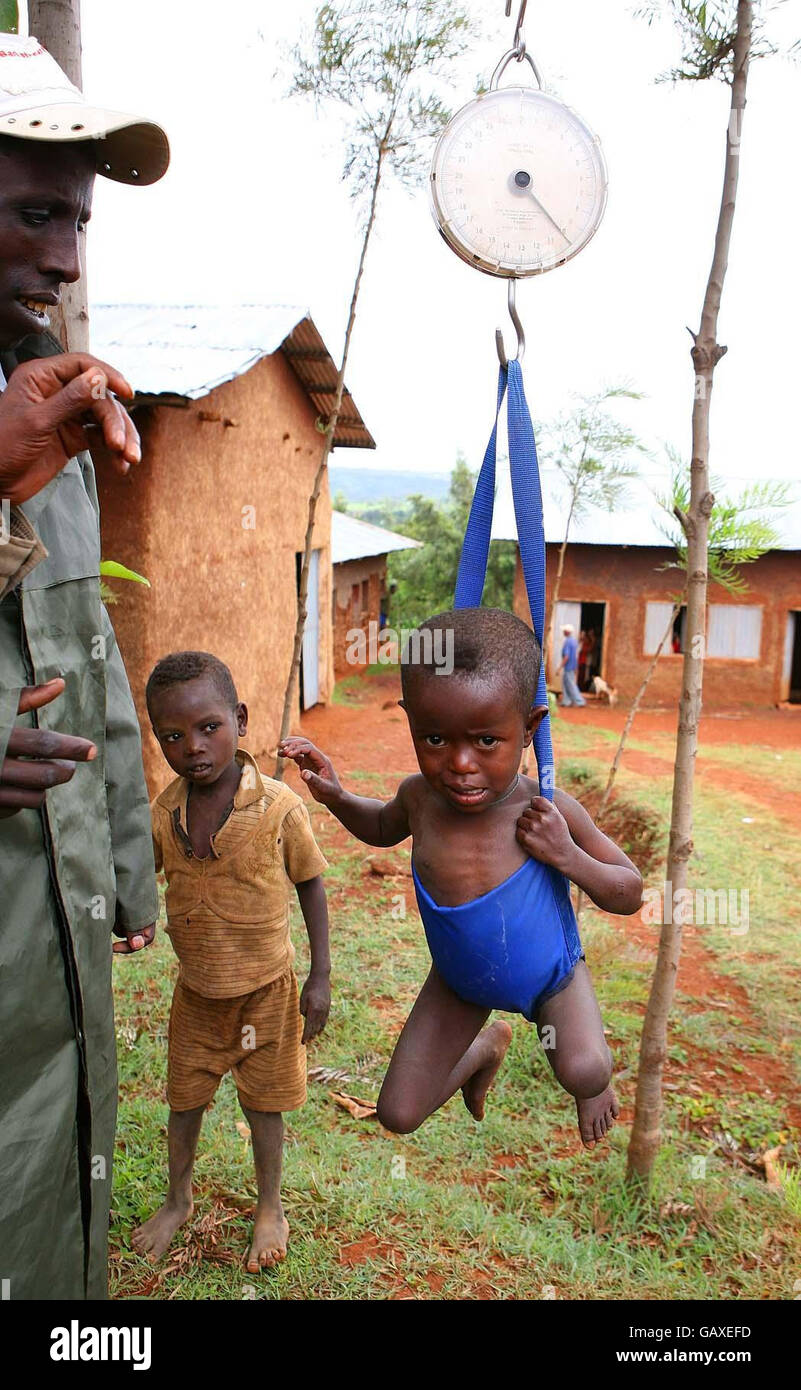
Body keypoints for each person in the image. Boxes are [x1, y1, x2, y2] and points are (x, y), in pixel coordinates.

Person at [0, 34, 169, 1299]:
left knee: (63, 1202)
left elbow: (92, 666)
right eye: (36, 213)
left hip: (54, 937)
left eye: (80, 224)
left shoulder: (52, 416)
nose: (65, 256)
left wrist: (128, 866)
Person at [281, 609, 642, 1148]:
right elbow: (379, 828)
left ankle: (587, 1081)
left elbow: (629, 891)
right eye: (434, 739)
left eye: (486, 741)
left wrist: (567, 855)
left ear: (528, 728)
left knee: (585, 1071)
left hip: (551, 982)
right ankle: (485, 1049)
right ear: (410, 721)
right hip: (460, 982)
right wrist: (335, 795)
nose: (460, 763)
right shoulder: (419, 801)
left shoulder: (547, 809)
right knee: (398, 1112)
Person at [134, 653, 331, 1271]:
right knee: (184, 1102)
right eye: (171, 735)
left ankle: (270, 1205)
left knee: (263, 1104)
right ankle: (177, 1199)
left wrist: (321, 975)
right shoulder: (164, 816)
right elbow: (145, 881)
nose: (192, 747)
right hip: (197, 995)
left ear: (240, 720)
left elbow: (312, 884)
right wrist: (133, 921)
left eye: (208, 727)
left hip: (266, 992)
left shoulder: (278, 809)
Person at [558, 622, 586, 708]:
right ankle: (566, 701)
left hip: (568, 667)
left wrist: (559, 668)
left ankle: (580, 701)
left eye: (564, 631)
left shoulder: (567, 642)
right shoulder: (574, 641)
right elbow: (575, 655)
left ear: (567, 632)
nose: (563, 632)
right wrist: (576, 667)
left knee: (570, 684)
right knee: (566, 683)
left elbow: (566, 656)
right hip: (572, 666)